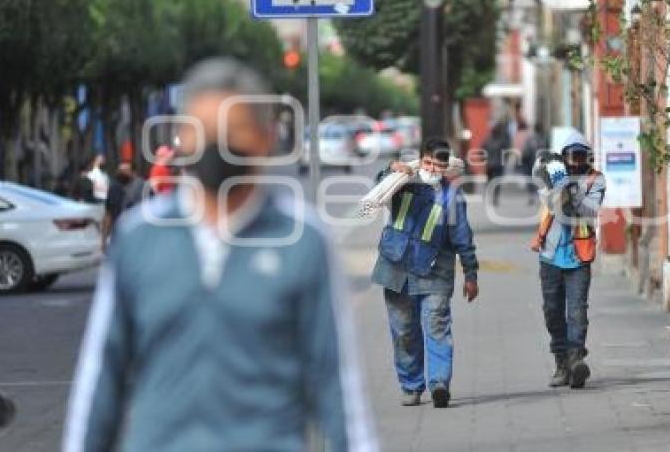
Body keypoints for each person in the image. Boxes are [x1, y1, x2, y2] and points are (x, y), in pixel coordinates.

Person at [63, 58, 376, 452]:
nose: (217, 144)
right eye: (204, 131)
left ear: (265, 139)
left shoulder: (303, 241)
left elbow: (339, 385)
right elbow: (100, 379)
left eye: (234, 131)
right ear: (182, 139)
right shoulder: (139, 238)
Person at [372, 138, 479, 409]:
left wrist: (470, 274)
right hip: (396, 270)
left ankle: (439, 383)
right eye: (428, 163)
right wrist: (391, 168)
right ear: (420, 161)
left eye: (439, 166)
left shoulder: (452, 196)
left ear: (446, 168)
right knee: (403, 332)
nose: (432, 169)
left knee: (437, 327)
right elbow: (379, 186)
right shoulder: (401, 182)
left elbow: (463, 236)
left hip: (436, 273)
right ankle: (411, 385)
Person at [530, 129, 605, 390]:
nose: (575, 162)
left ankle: (576, 361)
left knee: (577, 312)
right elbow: (550, 201)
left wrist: (571, 190)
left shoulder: (596, 180)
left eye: (580, 156)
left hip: (578, 257)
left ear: (588, 157)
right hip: (550, 256)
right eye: (570, 157)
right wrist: (548, 170)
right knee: (552, 312)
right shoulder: (553, 176)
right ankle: (561, 362)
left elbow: (588, 210)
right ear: (562, 158)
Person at [101, 163, 145, 247]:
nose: (121, 173)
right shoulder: (114, 190)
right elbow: (108, 215)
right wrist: (104, 240)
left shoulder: (141, 188)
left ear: (133, 173)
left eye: (125, 170)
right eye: (120, 170)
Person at [482, 122, 509, 206]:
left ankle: (493, 196)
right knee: (495, 182)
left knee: (492, 181)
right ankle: (493, 196)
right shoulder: (500, 141)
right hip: (496, 164)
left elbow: (482, 149)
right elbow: (506, 151)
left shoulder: (488, 140)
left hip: (492, 164)